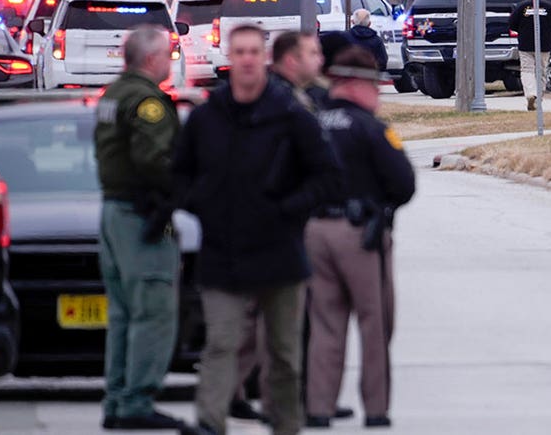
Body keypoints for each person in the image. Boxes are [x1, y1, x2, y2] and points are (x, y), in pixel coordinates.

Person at [175, 24, 341, 435]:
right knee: (221, 344)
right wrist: (204, 206)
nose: (247, 59)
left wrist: (290, 209)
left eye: (254, 51)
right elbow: (179, 175)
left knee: (284, 353)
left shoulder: (289, 115)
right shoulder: (207, 117)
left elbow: (327, 176)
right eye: (240, 51)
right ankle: (210, 423)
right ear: (230, 58)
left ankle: (286, 424)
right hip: (223, 251)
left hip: (280, 251)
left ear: (263, 58)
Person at [305, 46, 416, 428]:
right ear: (355, 84)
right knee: (375, 323)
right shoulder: (371, 128)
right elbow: (404, 183)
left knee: (324, 323)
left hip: (315, 232)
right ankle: (376, 408)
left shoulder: (312, 123)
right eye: (375, 86)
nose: (379, 94)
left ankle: (318, 406)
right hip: (361, 235)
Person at [94, 25, 184, 431]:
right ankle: (137, 400)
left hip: (114, 212)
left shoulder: (113, 95)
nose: (171, 60)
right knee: (153, 310)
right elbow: (155, 159)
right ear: (151, 59)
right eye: (167, 53)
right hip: (140, 216)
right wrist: (181, 189)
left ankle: (117, 398)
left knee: (123, 314)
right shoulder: (146, 101)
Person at [507, 0, 551, 111]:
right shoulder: (549, 7)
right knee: (541, 71)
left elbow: (512, 24)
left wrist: (522, 29)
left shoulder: (521, 7)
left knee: (527, 70)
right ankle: (538, 98)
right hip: (544, 45)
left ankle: (531, 94)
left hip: (525, 45)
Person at [271, 30, 328, 111]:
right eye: (313, 53)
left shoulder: (316, 89)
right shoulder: (276, 99)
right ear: (291, 61)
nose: (321, 60)